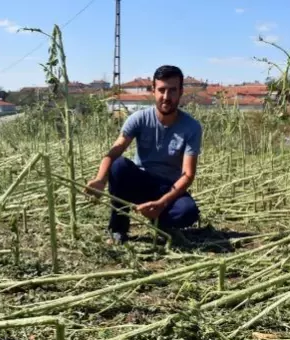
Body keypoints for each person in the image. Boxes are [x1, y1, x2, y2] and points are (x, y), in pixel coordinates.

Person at [84, 65, 202, 244]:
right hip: (140, 182)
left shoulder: (191, 127)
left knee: (187, 212)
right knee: (119, 165)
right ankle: (118, 228)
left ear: (180, 92)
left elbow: (188, 174)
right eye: (161, 90)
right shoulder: (139, 119)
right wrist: (101, 179)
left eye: (172, 90)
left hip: (169, 187)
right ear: (153, 90)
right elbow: (114, 152)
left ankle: (160, 220)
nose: (166, 97)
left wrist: (162, 203)